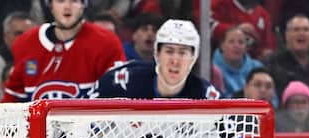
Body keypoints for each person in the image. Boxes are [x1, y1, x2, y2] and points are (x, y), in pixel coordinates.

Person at [0, 0, 124, 102]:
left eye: (74, 1)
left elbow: (119, 96)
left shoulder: (106, 42)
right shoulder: (26, 43)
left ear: (83, 5)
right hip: (37, 129)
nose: (67, 7)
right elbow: (13, 99)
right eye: (60, 1)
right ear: (50, 5)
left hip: (90, 129)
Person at [89, 18, 219, 100]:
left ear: (193, 58)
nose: (175, 61)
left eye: (182, 53)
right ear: (157, 54)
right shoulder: (122, 80)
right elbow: (80, 123)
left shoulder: (205, 94)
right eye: (169, 51)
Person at [212, 25, 265, 98]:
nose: (236, 46)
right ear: (222, 46)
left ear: (246, 47)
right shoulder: (213, 71)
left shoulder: (257, 67)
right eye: (231, 42)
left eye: (241, 42)